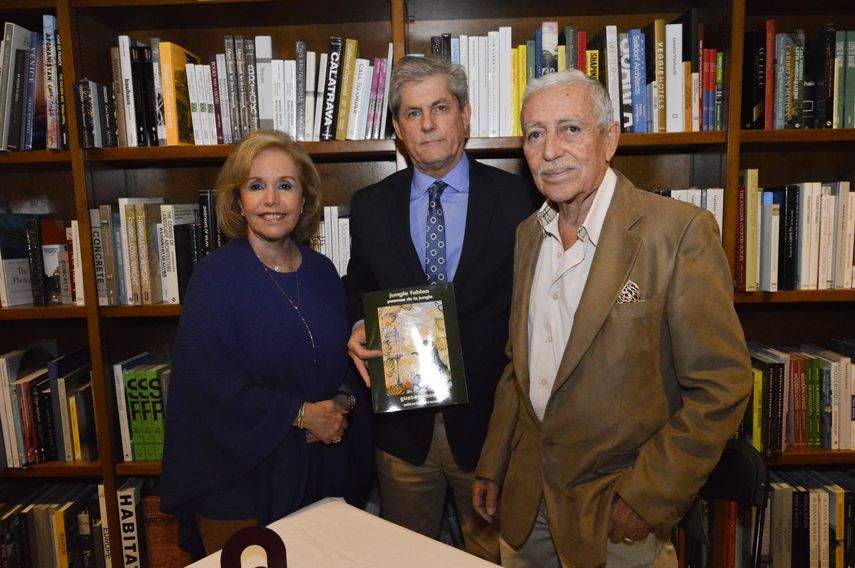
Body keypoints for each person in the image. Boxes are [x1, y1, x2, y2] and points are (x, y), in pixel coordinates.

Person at [472, 70, 753, 567]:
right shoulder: (527, 237)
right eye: (535, 134)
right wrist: (494, 465)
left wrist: (647, 499)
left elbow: (721, 386)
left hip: (616, 517)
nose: (551, 150)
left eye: (570, 129)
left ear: (610, 138)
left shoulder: (678, 233)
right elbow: (518, 366)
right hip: (525, 505)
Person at [344, 56, 537, 562]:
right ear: (397, 129)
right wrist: (359, 323)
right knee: (407, 558)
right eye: (412, 113)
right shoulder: (369, 205)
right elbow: (357, 286)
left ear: (465, 115)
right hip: (403, 432)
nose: (427, 124)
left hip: (491, 431)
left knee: (491, 557)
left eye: (440, 107)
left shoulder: (522, 199)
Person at [161, 130, 373, 559]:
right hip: (240, 483)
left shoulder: (322, 272)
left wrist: (341, 406)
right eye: (257, 186)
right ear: (239, 201)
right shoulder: (215, 278)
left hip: (320, 476)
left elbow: (345, 364)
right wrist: (302, 414)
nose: (271, 199)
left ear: (305, 199)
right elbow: (208, 386)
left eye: (285, 185)